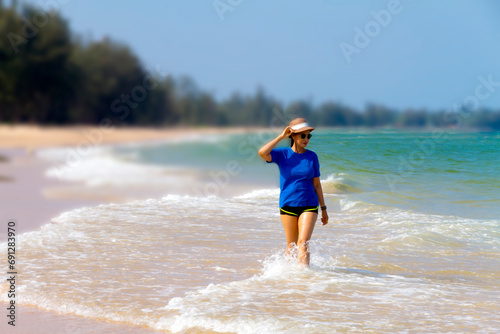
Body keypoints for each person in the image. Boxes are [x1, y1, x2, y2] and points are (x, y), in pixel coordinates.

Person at [258, 118, 328, 266]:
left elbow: (317, 184)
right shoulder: (282, 154)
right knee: (292, 246)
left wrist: (323, 208)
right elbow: (263, 152)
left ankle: (304, 279)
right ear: (293, 135)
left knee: (303, 243)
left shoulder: (312, 156)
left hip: (309, 204)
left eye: (309, 135)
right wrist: (280, 137)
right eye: (303, 135)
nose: (306, 139)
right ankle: (290, 282)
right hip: (288, 204)